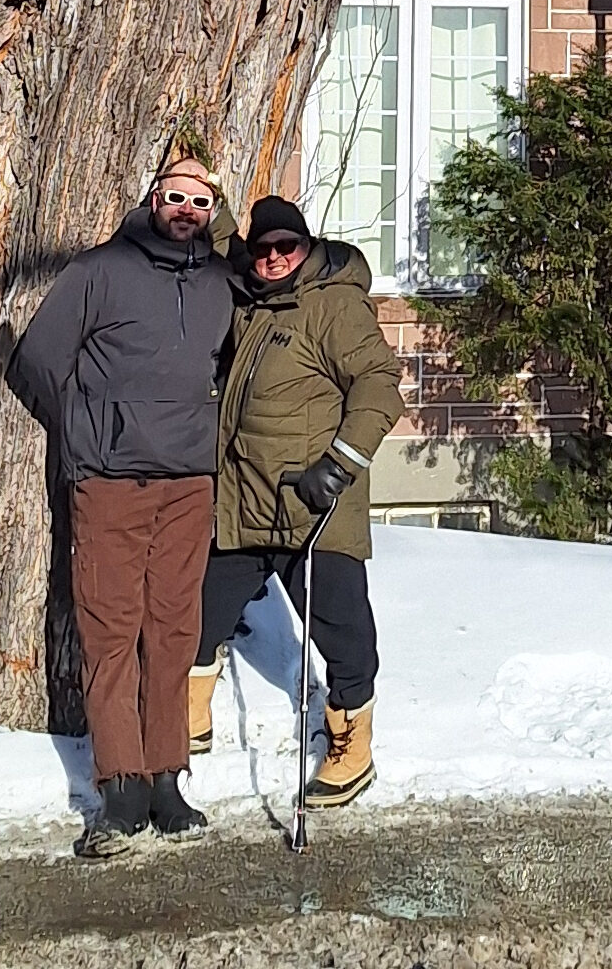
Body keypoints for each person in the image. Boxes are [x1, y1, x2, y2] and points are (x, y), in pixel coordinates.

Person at [9, 157, 235, 857]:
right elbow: (37, 361)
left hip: (188, 483)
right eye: (177, 196)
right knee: (112, 630)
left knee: (174, 630)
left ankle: (167, 777)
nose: (187, 209)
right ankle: (121, 785)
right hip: (109, 480)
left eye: (201, 200)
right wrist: (87, 433)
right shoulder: (98, 271)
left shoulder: (223, 283)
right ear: (153, 199)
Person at [191, 196, 404, 809]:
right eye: (265, 249)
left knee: (340, 629)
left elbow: (380, 386)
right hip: (250, 504)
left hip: (315, 507)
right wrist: (216, 208)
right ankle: (191, 720)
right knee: (201, 614)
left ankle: (351, 743)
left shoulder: (334, 305)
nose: (275, 257)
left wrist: (339, 465)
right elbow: (233, 252)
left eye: (288, 246)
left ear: (307, 247)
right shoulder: (256, 298)